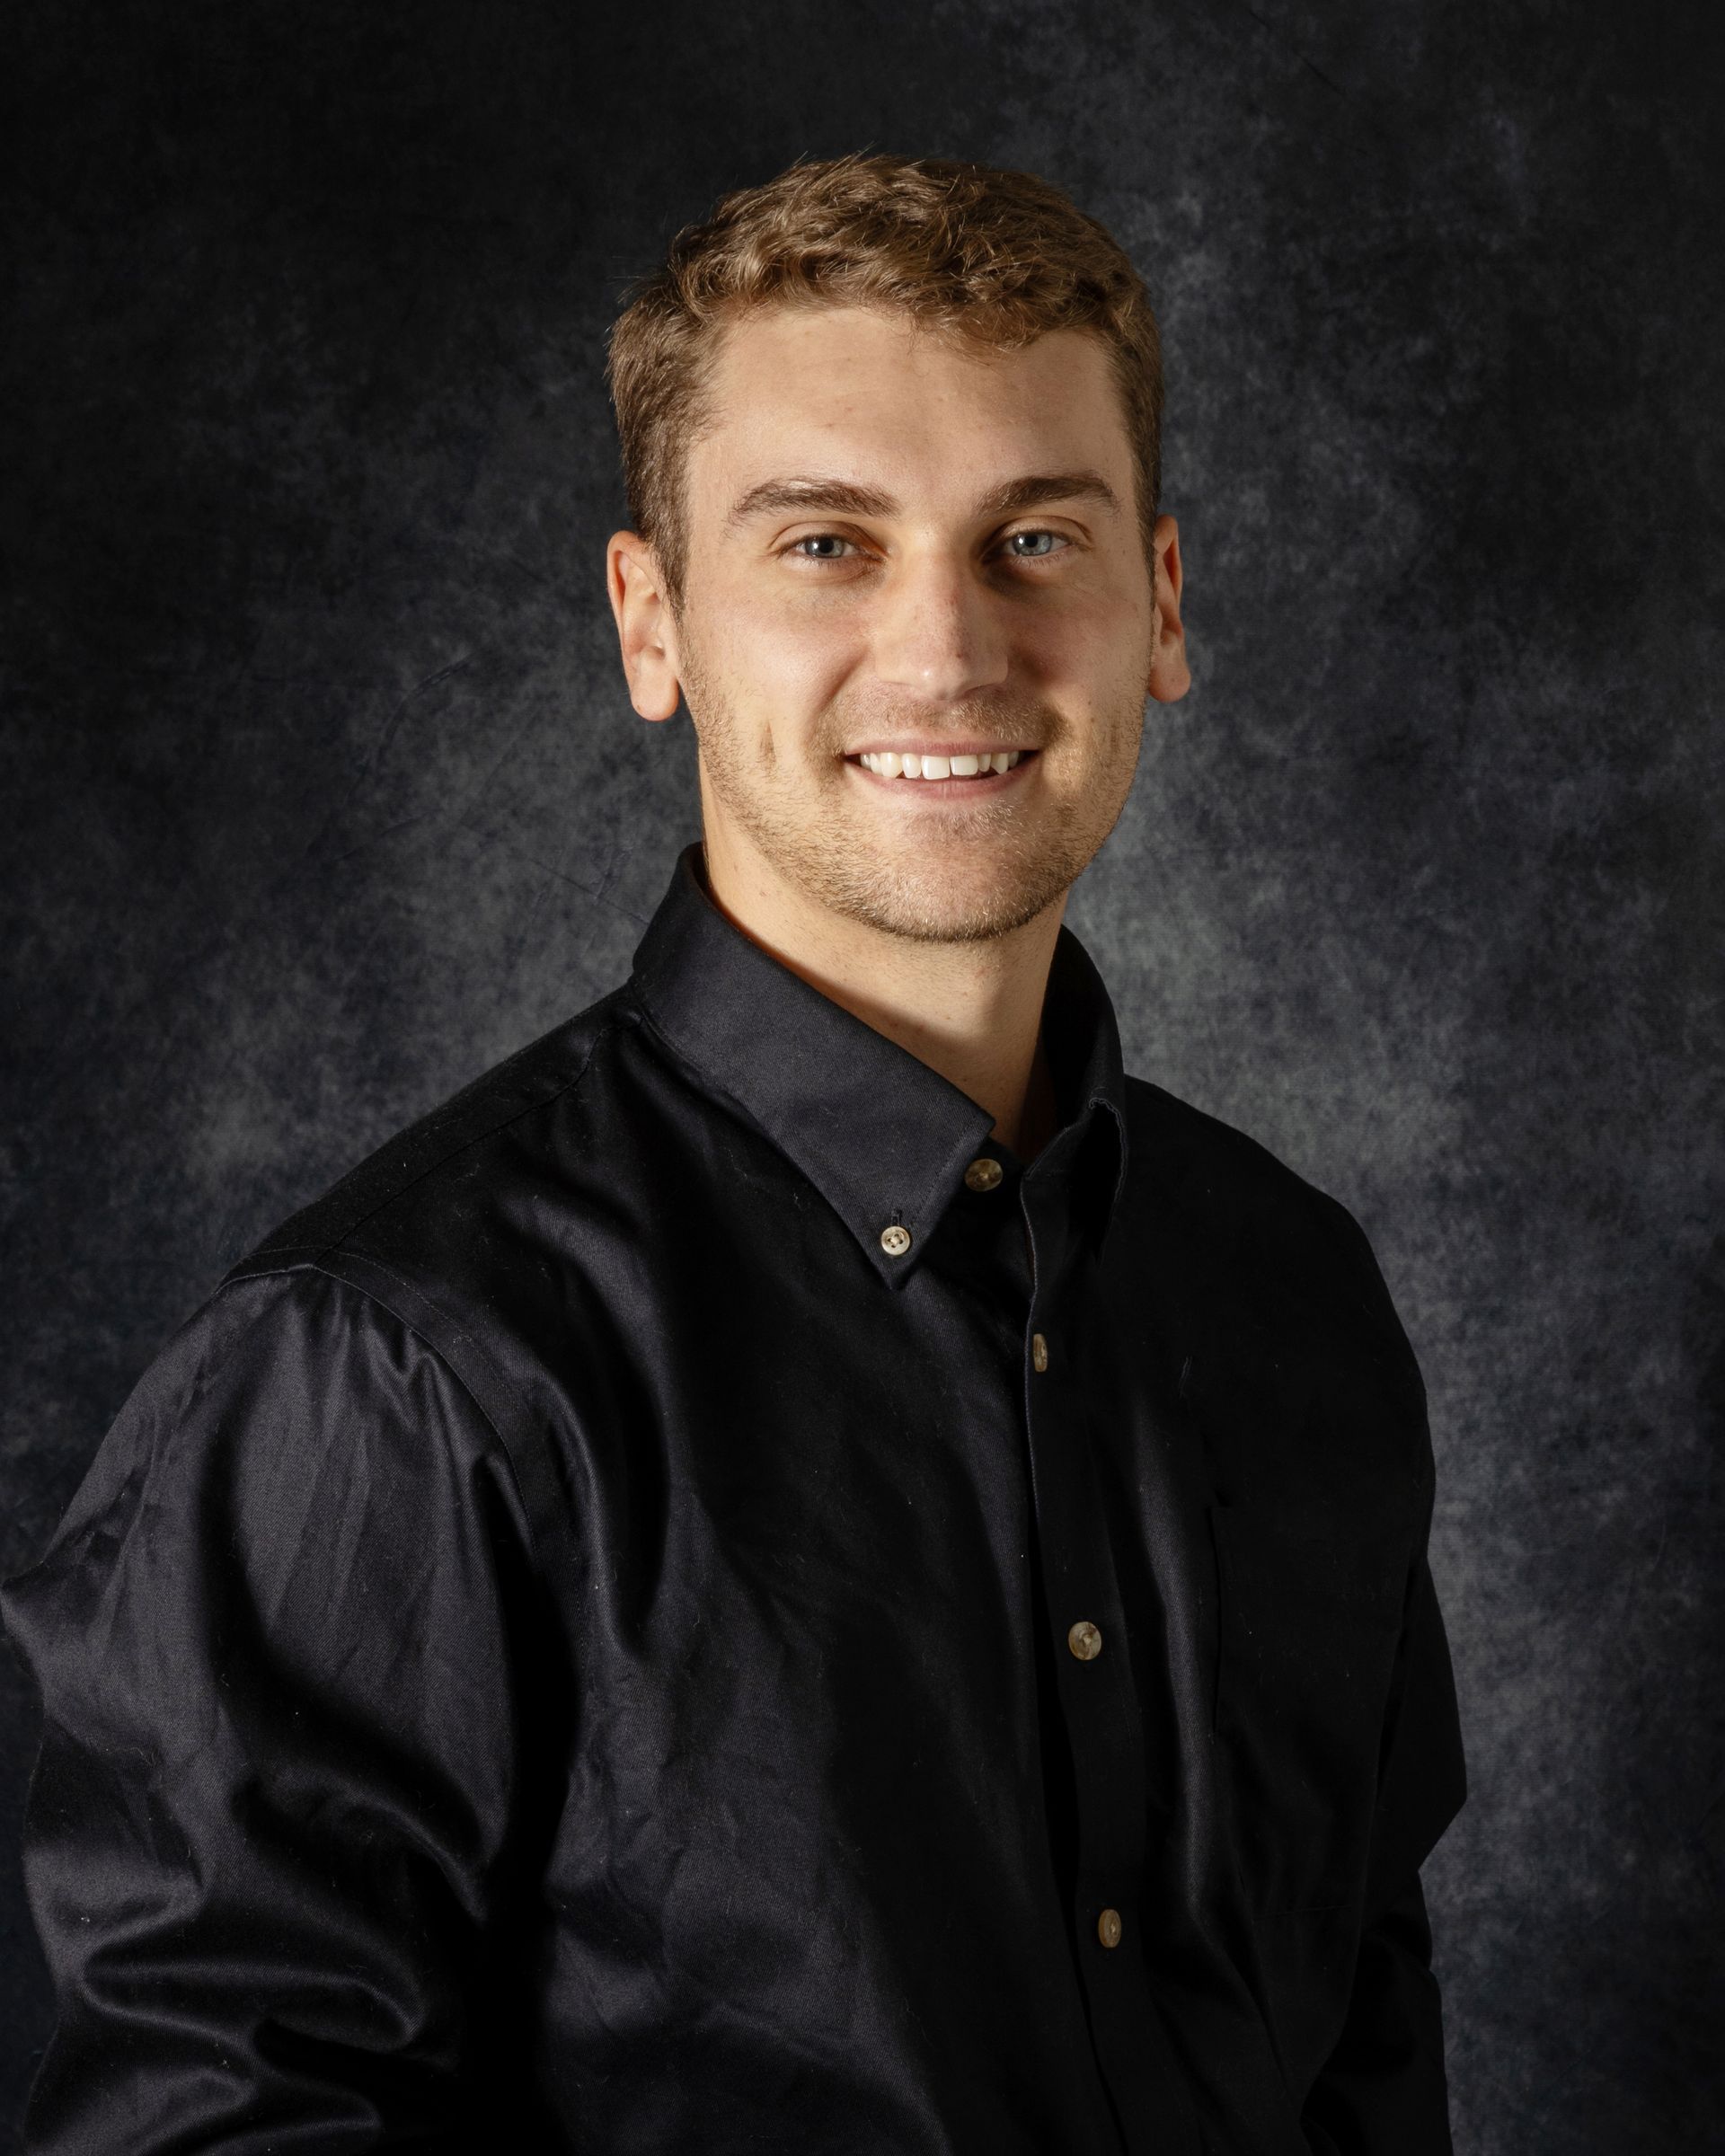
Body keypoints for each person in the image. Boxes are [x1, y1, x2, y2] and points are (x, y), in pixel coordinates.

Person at [3, 154, 1465, 2153]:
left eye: (1034, 533)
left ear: (1166, 606)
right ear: (653, 620)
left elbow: (1362, 2043)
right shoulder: (389, 1376)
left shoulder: (1294, 1298)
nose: (948, 650)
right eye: (826, 546)